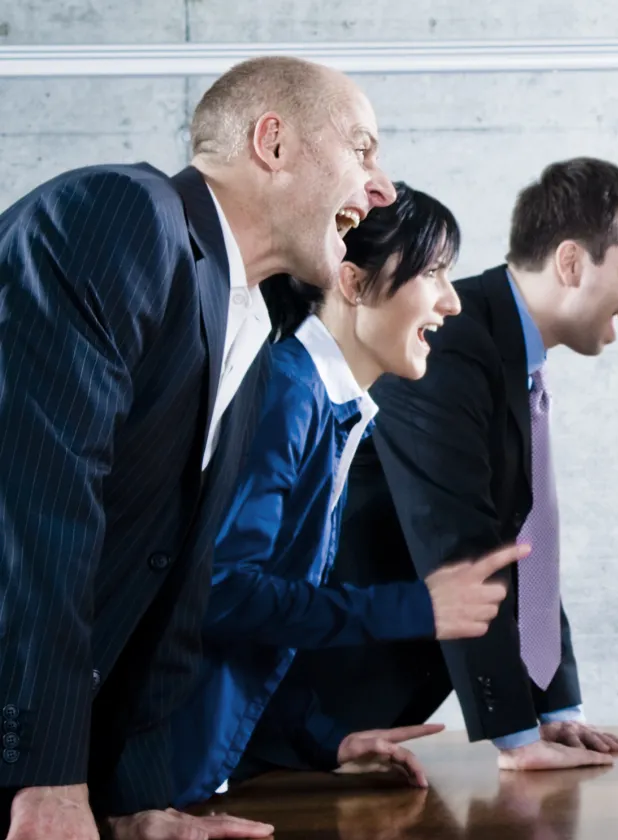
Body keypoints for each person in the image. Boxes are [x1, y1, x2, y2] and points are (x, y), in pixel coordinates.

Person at [0, 55, 395, 839]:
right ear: (272, 143)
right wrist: (45, 780)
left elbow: (166, 588)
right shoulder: (121, 214)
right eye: (362, 149)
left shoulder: (244, 328)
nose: (380, 187)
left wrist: (138, 807)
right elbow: (40, 514)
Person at [270, 157, 618, 772]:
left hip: (357, 713)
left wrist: (557, 710)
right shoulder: (447, 344)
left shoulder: (509, 352)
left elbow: (527, 544)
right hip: (315, 703)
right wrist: (515, 737)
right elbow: (458, 538)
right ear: (571, 263)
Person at [168, 182, 529, 807]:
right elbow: (221, 593)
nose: (451, 302)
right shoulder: (288, 392)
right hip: (160, 775)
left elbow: (261, 627)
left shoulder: (327, 403)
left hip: (202, 769)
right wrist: (416, 608)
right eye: (433, 273)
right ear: (354, 284)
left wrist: (325, 740)